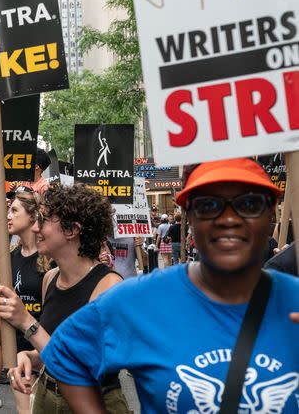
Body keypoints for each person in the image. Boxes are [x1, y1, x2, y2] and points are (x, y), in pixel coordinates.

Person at [40, 158, 299, 412]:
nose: (228, 218)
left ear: (271, 214)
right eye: (208, 205)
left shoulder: (294, 300)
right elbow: (64, 354)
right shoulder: (141, 299)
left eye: (249, 203)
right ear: (189, 218)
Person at [0, 185, 131, 414]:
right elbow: (50, 346)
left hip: (94, 401)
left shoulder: (109, 287)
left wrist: (26, 321)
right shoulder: (50, 278)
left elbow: (76, 364)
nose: (36, 227)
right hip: (47, 396)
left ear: (72, 230)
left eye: (45, 219)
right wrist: (29, 357)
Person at [4, 185, 52, 413]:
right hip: (17, 348)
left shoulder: (49, 257)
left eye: (14, 211)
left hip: (43, 349)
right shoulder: (10, 257)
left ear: (32, 216)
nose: (8, 216)